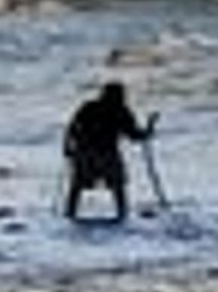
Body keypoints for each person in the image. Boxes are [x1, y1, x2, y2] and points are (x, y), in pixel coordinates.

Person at [62, 81, 157, 224]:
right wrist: (148, 132)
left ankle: (70, 214)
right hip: (106, 154)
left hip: (85, 152)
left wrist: (68, 148)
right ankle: (122, 215)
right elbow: (134, 135)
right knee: (117, 185)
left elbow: (71, 129)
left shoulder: (90, 107)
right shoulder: (120, 111)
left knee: (78, 185)